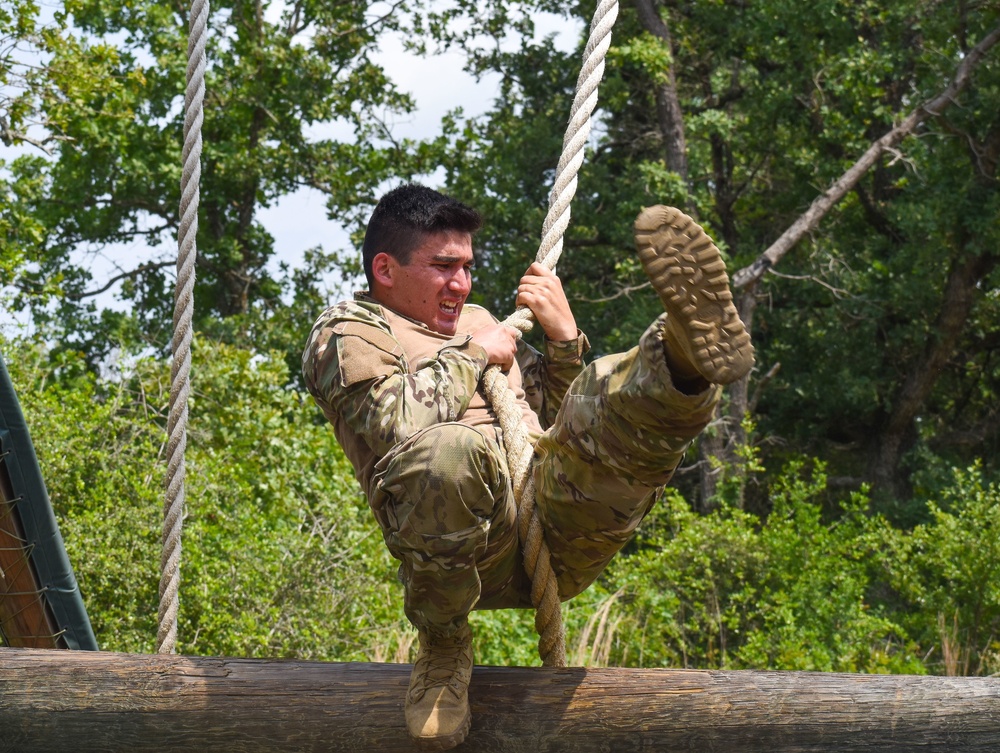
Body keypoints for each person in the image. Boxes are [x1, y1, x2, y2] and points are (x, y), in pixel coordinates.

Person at [302, 183, 753, 750]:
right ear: (386, 269)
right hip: (466, 553)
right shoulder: (348, 331)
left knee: (605, 394)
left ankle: (683, 359)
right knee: (449, 450)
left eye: (467, 267)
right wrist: (474, 354)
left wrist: (563, 340)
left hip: (560, 524)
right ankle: (443, 646)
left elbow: (564, 419)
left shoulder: (483, 320)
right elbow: (395, 425)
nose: (461, 284)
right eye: (444, 267)